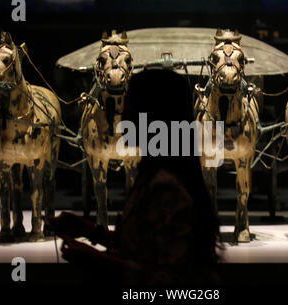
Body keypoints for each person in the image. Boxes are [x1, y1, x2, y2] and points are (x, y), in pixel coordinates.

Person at [45, 69, 222, 286]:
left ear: (153, 115)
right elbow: (143, 244)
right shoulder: (155, 173)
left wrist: (94, 260)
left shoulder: (166, 187)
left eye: (130, 105)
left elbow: (169, 282)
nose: (122, 116)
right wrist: (88, 230)